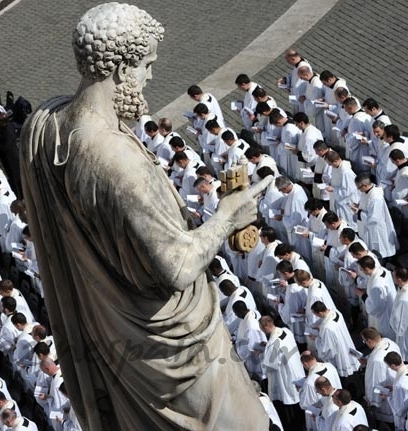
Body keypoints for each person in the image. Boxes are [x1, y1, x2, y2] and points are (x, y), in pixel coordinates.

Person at [19, 4, 270, 430]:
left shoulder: (45, 125)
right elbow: (177, 266)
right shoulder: (117, 162)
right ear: (120, 68)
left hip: (111, 328)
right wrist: (228, 216)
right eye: (147, 64)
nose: (150, 76)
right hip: (171, 348)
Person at [259, 315, 304, 430]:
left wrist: (261, 354)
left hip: (286, 376)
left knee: (290, 405)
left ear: (266, 327)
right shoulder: (285, 331)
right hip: (296, 369)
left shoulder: (274, 343)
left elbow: (269, 364)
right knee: (299, 400)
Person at [360, 327, 400, 425]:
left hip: (386, 393)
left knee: (386, 418)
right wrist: (367, 360)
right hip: (395, 380)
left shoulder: (376, 361)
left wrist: (373, 401)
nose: (364, 343)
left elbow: (376, 382)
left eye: (364, 341)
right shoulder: (389, 342)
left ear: (369, 341)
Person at [353, 173, 398, 258]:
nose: (358, 190)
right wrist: (359, 206)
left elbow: (374, 219)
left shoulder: (375, 198)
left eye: (359, 187)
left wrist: (359, 213)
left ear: (365, 185)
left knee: (378, 251)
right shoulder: (367, 192)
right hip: (368, 226)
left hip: (376, 229)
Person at [310, 301, 360, 377]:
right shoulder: (336, 313)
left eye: (316, 314)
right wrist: (320, 327)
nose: (316, 316)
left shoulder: (327, 328)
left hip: (339, 352)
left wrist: (316, 339)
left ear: (320, 313)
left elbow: (328, 350)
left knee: (344, 373)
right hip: (346, 343)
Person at [355, 256, 396, 339]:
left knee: (385, 336)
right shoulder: (383, 270)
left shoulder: (376, 286)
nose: (360, 271)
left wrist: (361, 295)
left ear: (366, 269)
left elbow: (375, 308)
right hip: (391, 307)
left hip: (384, 316)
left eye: (361, 269)